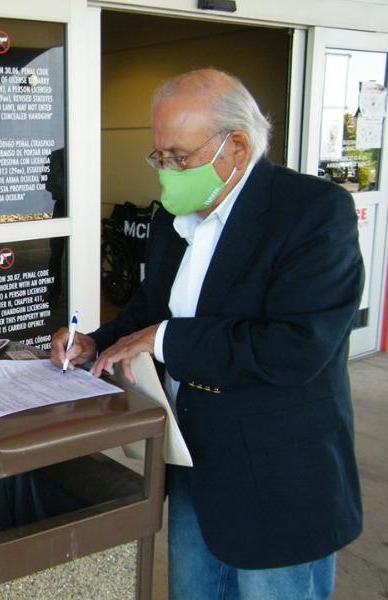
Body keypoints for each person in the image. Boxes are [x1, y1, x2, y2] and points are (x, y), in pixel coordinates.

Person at [52, 69, 363, 599]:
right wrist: (97, 343)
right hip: (196, 459)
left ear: (235, 147)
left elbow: (295, 349)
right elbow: (149, 311)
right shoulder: (172, 221)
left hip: (277, 474)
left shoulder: (311, 213)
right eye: (160, 158)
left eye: (179, 158)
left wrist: (164, 341)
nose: (166, 173)